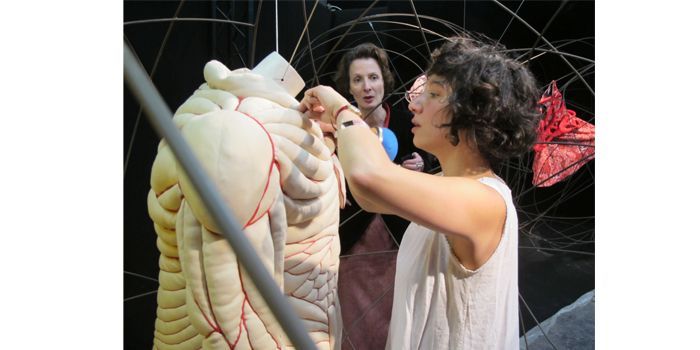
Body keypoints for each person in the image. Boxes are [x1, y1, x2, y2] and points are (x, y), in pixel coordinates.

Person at [299, 35, 541, 349]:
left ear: (471, 114)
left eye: (434, 94)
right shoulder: (448, 182)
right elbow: (369, 195)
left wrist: (341, 109)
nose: (414, 103)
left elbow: (368, 176)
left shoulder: (486, 201)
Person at [333, 42, 430, 172]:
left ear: (384, 81)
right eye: (357, 80)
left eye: (373, 77)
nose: (367, 87)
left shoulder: (409, 123)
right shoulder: (343, 129)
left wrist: (421, 164)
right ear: (349, 87)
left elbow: (429, 166)